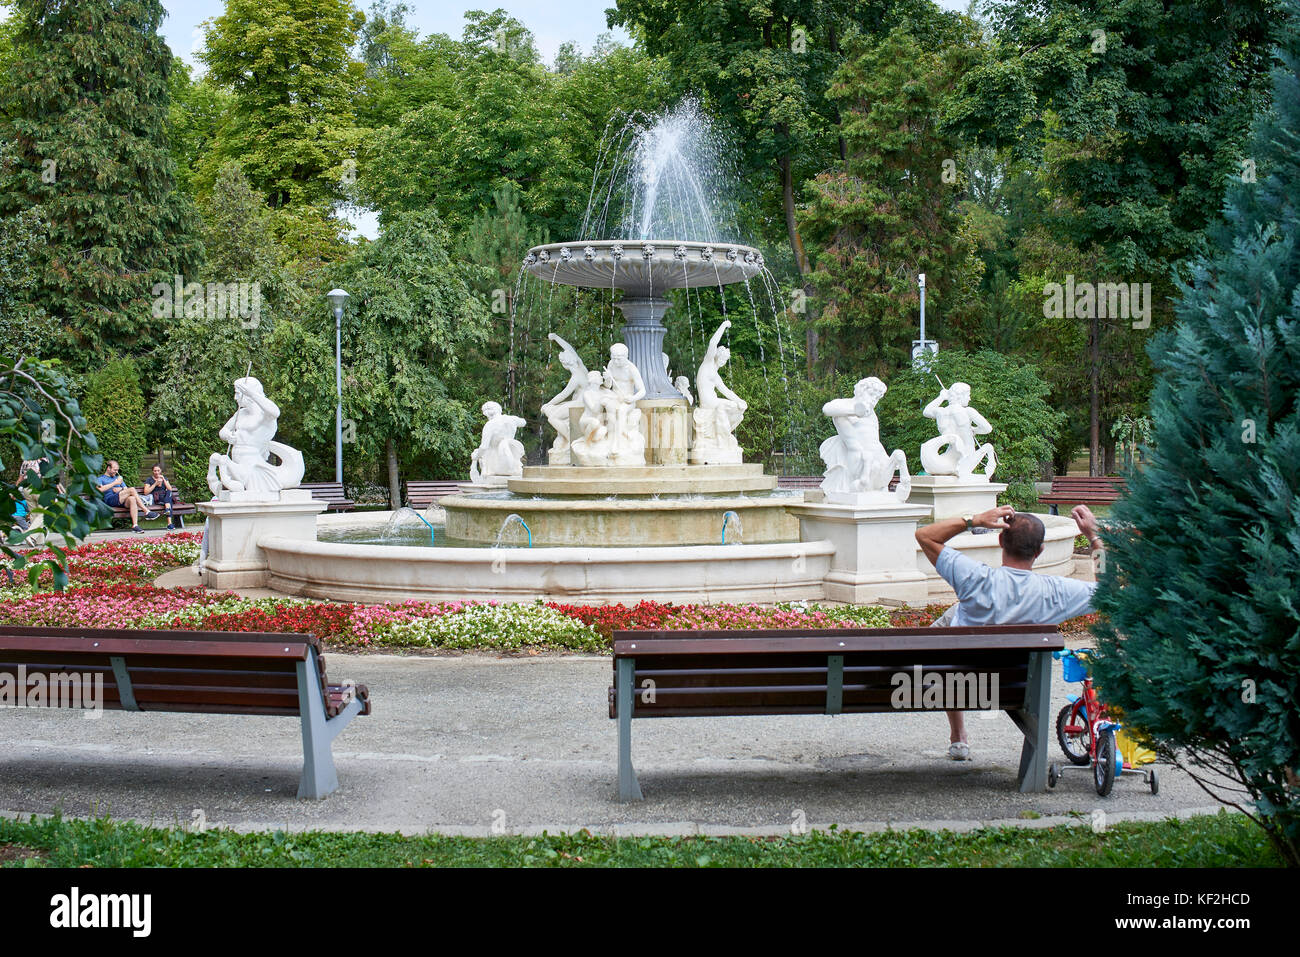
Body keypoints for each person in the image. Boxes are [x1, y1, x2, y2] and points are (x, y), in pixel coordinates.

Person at [916, 504, 1103, 760]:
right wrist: (1094, 537)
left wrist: (975, 519)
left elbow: (925, 536)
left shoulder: (974, 578)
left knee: (951, 625)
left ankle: (958, 734)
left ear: (1001, 540)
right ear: (1040, 551)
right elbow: (1110, 592)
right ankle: (961, 735)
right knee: (954, 616)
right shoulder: (1055, 593)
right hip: (1016, 685)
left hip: (957, 682)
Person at [96, 460, 158, 533]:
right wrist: (115, 483)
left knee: (132, 498)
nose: (116, 472)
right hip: (110, 500)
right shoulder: (101, 479)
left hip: (121, 499)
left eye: (117, 470)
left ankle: (135, 525)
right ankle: (146, 511)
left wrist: (121, 488)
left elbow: (126, 489)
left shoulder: (118, 478)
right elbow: (99, 489)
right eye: (115, 470)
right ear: (108, 468)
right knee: (132, 489)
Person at [143, 464, 183, 530]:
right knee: (169, 502)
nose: (157, 472)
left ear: (161, 471)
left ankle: (168, 517)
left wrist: (164, 479)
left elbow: (170, 488)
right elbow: (146, 492)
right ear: (152, 471)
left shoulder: (164, 478)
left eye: (158, 470)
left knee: (168, 492)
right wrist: (155, 483)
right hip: (157, 498)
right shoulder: (149, 479)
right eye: (155, 471)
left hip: (165, 498)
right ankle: (169, 523)